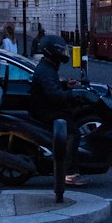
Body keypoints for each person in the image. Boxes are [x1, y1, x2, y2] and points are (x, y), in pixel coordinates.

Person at [29, 35, 90, 186]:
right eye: (60, 50)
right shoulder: (46, 71)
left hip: (45, 107)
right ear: (52, 51)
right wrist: (72, 94)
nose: (63, 53)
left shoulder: (47, 67)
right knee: (73, 133)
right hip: (47, 111)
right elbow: (53, 95)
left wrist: (65, 85)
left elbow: (51, 88)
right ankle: (69, 173)